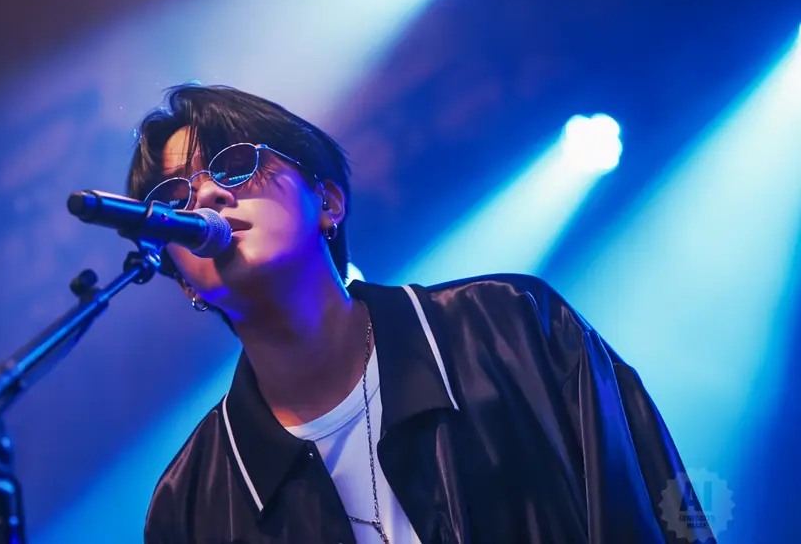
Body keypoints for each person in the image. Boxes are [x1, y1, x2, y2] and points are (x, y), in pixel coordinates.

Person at [127, 84, 713, 544]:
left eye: (233, 164)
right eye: (172, 199)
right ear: (185, 284)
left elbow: (659, 514)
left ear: (328, 202)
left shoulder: (511, 326)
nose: (204, 196)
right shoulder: (193, 501)